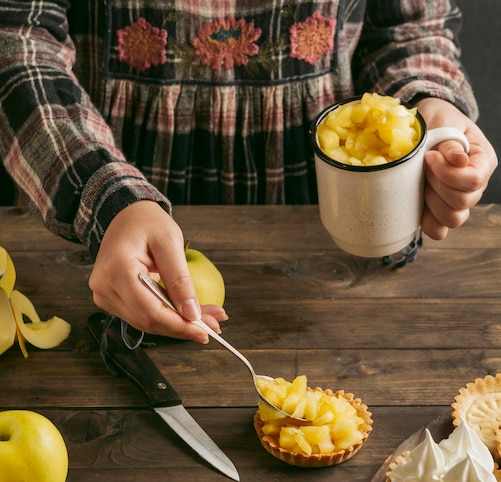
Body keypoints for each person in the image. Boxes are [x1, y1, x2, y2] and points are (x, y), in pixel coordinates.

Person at [0, 1, 497, 344]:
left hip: (326, 243)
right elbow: (17, 39)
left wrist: (432, 103)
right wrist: (107, 199)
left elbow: (407, 31)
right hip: (103, 219)